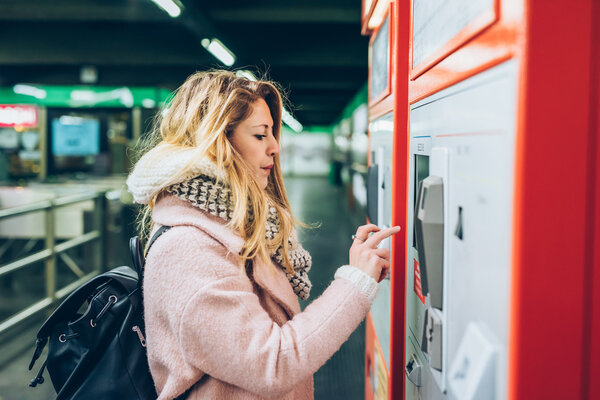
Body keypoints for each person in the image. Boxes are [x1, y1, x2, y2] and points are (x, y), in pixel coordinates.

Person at [126, 70, 400, 400]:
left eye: (272, 133)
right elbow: (272, 363)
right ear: (218, 143)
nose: (275, 147)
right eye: (260, 135)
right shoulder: (187, 249)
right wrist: (356, 282)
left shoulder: (229, 225)